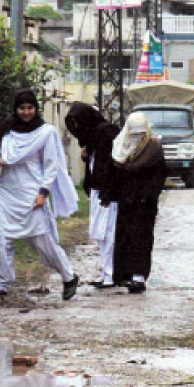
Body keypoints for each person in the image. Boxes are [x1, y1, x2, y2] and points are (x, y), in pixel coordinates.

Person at [0, 89, 80, 300]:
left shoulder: (45, 132)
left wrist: (43, 193)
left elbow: (51, 165)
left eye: (30, 108)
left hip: (32, 191)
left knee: (42, 241)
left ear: (36, 108)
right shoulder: (6, 128)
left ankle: (68, 276)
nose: (26, 112)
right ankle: (1, 285)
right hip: (6, 191)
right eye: (22, 108)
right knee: (1, 240)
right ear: (15, 108)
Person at [104, 112, 166, 294]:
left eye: (141, 134)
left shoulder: (153, 148)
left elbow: (160, 176)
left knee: (142, 239)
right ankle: (124, 275)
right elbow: (114, 172)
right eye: (134, 134)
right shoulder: (119, 146)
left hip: (145, 203)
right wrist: (111, 193)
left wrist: (148, 194)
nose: (137, 139)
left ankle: (139, 277)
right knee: (124, 237)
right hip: (126, 201)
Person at [65, 103, 120, 289]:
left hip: (108, 193)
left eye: (78, 122)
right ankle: (106, 274)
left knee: (109, 233)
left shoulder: (106, 133)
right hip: (98, 191)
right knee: (101, 234)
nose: (77, 127)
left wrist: (107, 191)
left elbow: (112, 166)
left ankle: (111, 275)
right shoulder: (93, 137)